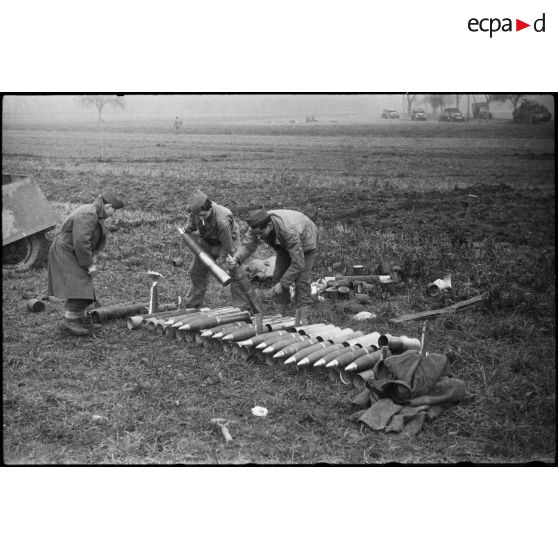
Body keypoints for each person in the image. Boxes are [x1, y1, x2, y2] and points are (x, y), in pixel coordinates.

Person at [46, 192, 124, 336]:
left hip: (72, 250)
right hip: (66, 251)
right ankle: (69, 323)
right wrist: (89, 264)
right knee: (79, 285)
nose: (113, 214)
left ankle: (80, 319)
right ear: (108, 206)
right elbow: (81, 243)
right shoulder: (89, 214)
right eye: (114, 210)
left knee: (82, 285)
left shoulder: (95, 212)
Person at [231, 207, 318, 324]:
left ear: (270, 226)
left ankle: (303, 318)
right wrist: (236, 258)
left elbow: (298, 262)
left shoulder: (288, 231)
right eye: (257, 234)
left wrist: (283, 284)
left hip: (306, 242)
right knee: (278, 276)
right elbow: (248, 245)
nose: (259, 238)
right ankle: (279, 316)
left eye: (261, 234)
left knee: (302, 281)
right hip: (283, 245)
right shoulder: (256, 227)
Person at [182, 189, 258, 312]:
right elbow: (192, 220)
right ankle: (193, 306)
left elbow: (227, 248)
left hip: (227, 242)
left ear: (210, 208)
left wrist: (220, 263)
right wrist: (188, 229)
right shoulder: (195, 210)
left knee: (233, 272)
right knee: (196, 271)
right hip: (207, 240)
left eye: (203, 215)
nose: (200, 218)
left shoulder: (222, 221)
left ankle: (242, 308)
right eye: (198, 215)